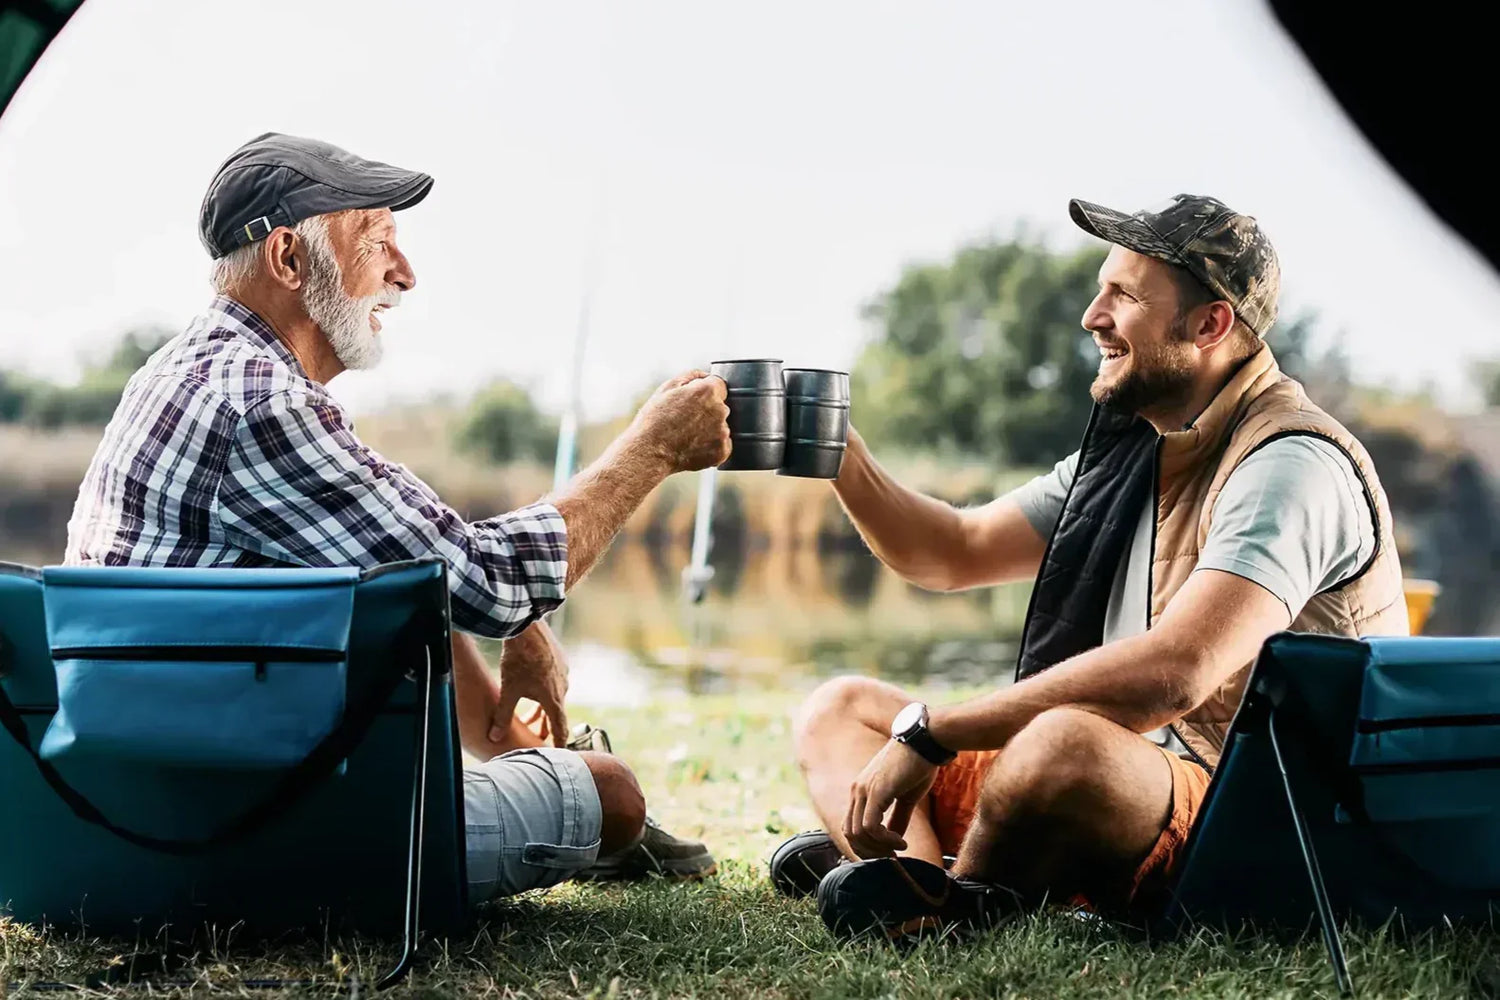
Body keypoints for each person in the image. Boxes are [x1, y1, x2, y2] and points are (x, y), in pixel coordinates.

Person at [64, 132, 729, 901]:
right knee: (613, 793)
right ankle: (562, 786)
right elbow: (488, 582)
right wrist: (651, 450)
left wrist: (518, 624)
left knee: (405, 588)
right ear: (288, 260)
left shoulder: (180, 370)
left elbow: (408, 555)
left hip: (127, 796)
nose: (405, 275)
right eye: (378, 242)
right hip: (238, 828)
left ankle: (526, 765)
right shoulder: (262, 403)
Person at [773, 194, 1409, 940]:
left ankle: (961, 894)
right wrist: (836, 451)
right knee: (841, 710)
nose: (1091, 315)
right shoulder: (1142, 444)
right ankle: (919, 884)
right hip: (1143, 777)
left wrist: (934, 733)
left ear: (1210, 326)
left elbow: (1177, 670)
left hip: (1258, 820)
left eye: (1124, 296)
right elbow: (952, 551)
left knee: (1060, 742)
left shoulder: (1289, 464)